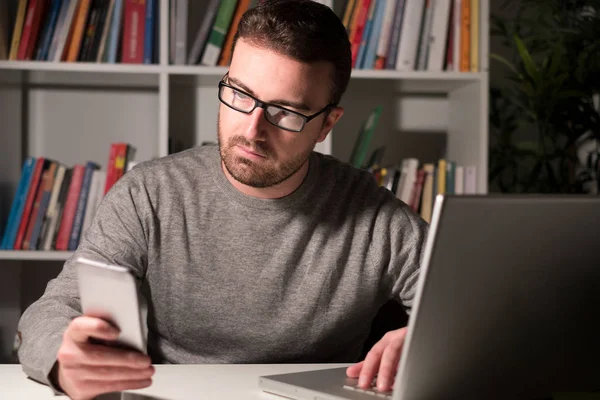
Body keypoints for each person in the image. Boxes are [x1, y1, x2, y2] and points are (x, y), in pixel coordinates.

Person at [17, 1, 429, 399]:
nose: (252, 129)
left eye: (285, 112)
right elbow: (51, 310)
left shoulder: (376, 217)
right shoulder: (149, 195)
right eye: (240, 94)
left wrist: (429, 338)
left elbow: (479, 313)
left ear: (326, 125)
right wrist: (63, 359)